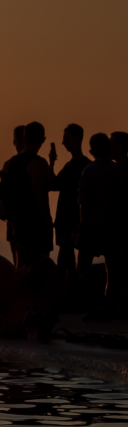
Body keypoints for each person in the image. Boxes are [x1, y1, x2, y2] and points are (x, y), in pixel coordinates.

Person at [79, 133, 125, 319]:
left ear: (91, 150)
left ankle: (97, 302)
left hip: (92, 225)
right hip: (113, 226)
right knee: (112, 268)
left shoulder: (89, 170)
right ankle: (108, 303)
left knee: (82, 266)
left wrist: (83, 224)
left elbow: (84, 201)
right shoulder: (118, 169)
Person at [0, 121, 54, 266]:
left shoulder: (9, 163)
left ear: (23, 138)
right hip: (35, 223)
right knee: (41, 265)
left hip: (16, 223)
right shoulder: (38, 163)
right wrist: (47, 220)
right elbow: (42, 193)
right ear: (43, 140)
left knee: (20, 265)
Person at [50, 123, 90, 280]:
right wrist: (51, 162)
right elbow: (54, 185)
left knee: (65, 263)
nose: (63, 142)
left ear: (77, 138)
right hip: (66, 222)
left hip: (71, 222)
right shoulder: (71, 165)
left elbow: (53, 185)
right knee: (68, 263)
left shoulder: (83, 166)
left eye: (66, 138)